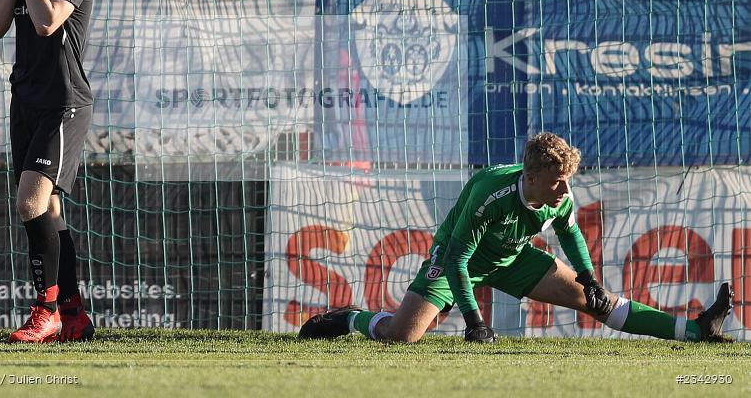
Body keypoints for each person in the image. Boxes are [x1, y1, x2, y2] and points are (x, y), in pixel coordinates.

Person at [299, 132, 734, 344]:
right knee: (403, 336)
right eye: (558, 182)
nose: (566, 191)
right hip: (456, 259)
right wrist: (475, 322)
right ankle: (350, 317)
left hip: (510, 257)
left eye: (568, 181)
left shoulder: (558, 193)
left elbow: (571, 232)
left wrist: (589, 278)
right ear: (530, 175)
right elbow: (457, 259)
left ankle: (695, 330)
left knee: (595, 301)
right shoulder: (493, 193)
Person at [0, 0, 96, 343]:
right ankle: (73, 314)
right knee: (47, 208)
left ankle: (45, 310)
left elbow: (49, 22)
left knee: (29, 202)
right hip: (25, 99)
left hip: (62, 102)